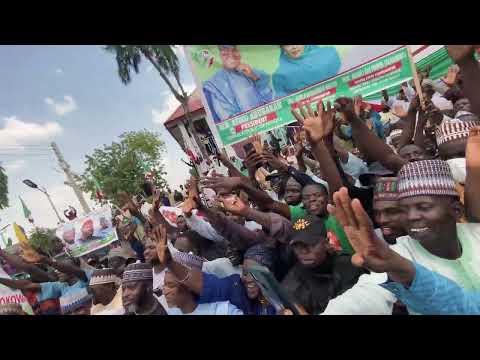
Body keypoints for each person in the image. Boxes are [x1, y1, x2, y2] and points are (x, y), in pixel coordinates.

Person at [322, 160, 480, 315]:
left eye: (423, 207)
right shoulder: (398, 254)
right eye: (403, 210)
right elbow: (366, 295)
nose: (411, 216)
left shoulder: (477, 233)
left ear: (456, 210)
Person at [281, 216, 364, 314]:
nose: (303, 251)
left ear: (326, 242)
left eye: (310, 244)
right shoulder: (292, 282)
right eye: (297, 246)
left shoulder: (349, 267)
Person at [203, 45, 273, 123]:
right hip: (247, 130)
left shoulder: (251, 71)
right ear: (218, 56)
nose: (231, 56)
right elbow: (226, 120)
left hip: (270, 122)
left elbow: (272, 99)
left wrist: (254, 77)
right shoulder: (213, 85)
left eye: (234, 50)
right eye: (224, 53)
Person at [163, 270, 244, 315]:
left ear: (189, 286)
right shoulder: (169, 313)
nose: (165, 292)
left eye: (171, 286)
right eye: (164, 285)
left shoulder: (223, 311)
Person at [273, 45, 341, 98]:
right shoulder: (280, 75)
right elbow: (283, 103)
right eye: (288, 45)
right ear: (282, 47)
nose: (294, 47)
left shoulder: (329, 55)